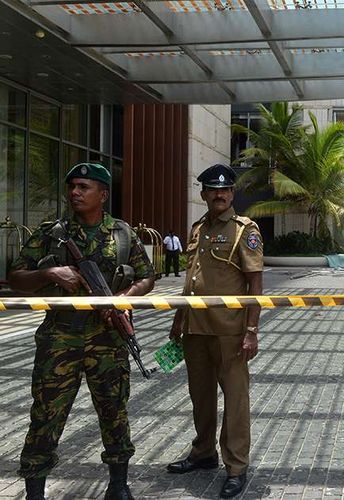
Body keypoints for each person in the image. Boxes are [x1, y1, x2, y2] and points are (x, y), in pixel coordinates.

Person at [9, 163, 155, 500]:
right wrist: (50, 274)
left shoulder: (122, 233)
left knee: (114, 410)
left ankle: (118, 485)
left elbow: (146, 277)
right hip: (60, 336)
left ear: (102, 194)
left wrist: (123, 299)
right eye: (72, 186)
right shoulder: (51, 232)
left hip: (108, 339)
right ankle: (35, 490)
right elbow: (16, 278)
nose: (75, 192)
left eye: (84, 187)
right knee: (46, 413)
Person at [167, 164, 263, 499]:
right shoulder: (197, 229)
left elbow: (255, 282)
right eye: (212, 190)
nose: (219, 195)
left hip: (230, 331)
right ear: (204, 194)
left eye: (225, 190)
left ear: (232, 194)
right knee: (201, 397)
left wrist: (251, 329)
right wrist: (178, 321)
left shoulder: (243, 230)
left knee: (235, 400)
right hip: (196, 328)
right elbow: (190, 280)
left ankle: (236, 466)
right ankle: (203, 452)